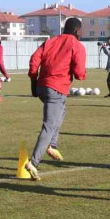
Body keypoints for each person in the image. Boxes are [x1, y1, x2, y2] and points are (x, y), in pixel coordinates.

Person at [24, 17, 87, 179]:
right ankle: (33, 162)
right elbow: (80, 74)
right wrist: (80, 74)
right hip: (56, 88)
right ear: (76, 30)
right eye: (81, 30)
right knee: (49, 125)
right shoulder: (77, 45)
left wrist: (33, 81)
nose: (81, 33)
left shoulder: (50, 41)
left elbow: (34, 59)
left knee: (62, 111)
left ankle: (52, 145)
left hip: (42, 86)